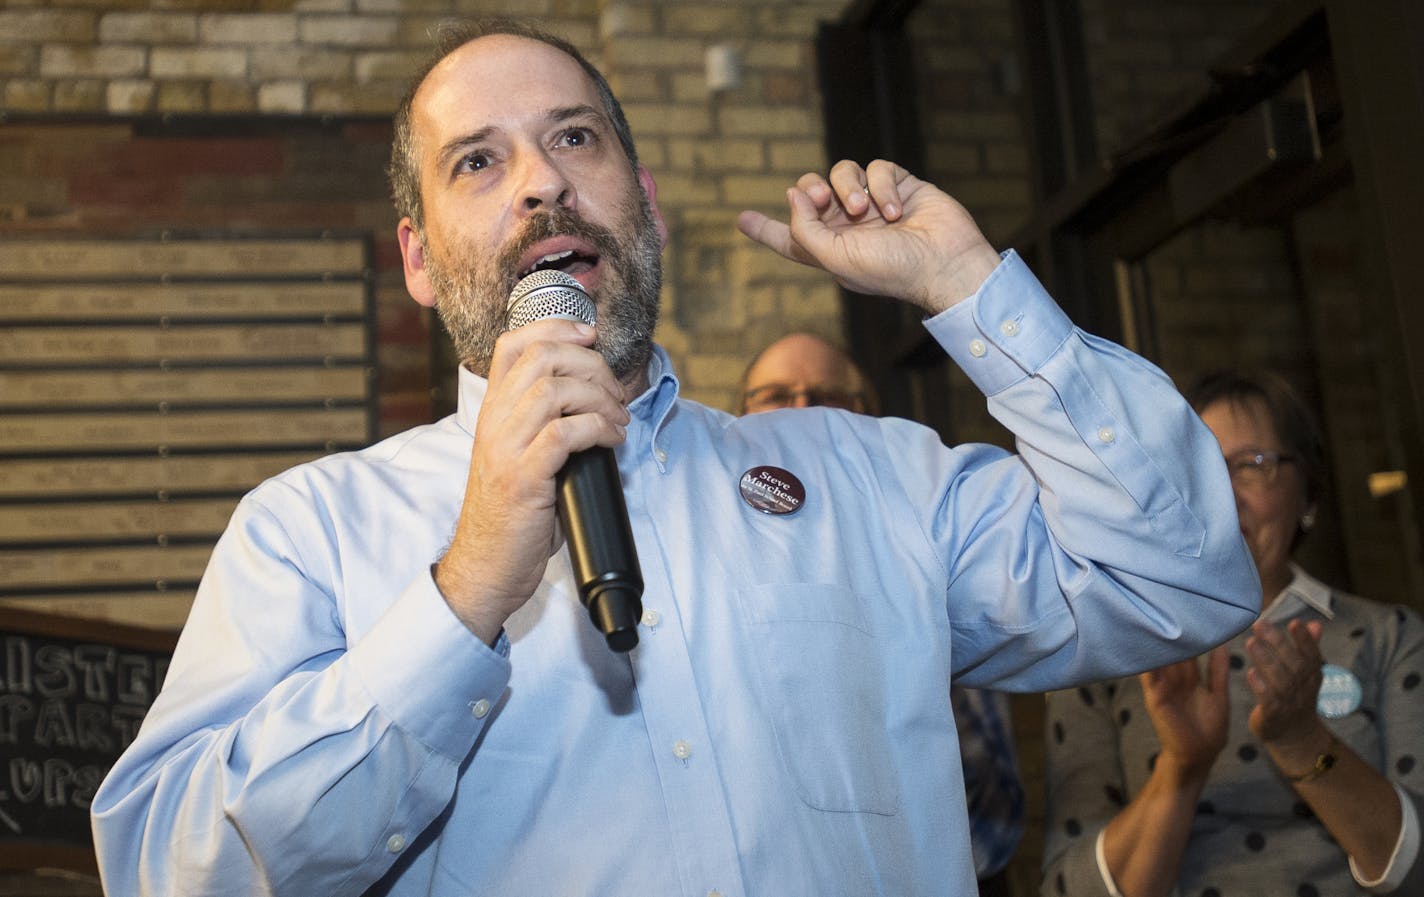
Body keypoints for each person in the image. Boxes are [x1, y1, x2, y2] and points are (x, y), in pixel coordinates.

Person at [90, 17, 1260, 897]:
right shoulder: (310, 528)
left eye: (574, 139)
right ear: (416, 257)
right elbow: (171, 866)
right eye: (477, 163)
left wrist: (970, 288)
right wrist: (466, 592)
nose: (542, 182)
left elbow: (1182, 580)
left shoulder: (869, 479)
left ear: (641, 203)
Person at [1041, 370, 1424, 897]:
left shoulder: (1390, 638)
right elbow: (1067, 887)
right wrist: (1182, 766)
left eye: (1251, 466)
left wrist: (1301, 739)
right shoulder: (1102, 654)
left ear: (1308, 496)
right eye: (1195, 470)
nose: (1221, 495)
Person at [738, 332, 1026, 891]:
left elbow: (989, 779)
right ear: (737, 415)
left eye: (826, 396)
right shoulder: (708, 554)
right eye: (776, 395)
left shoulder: (921, 529)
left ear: (868, 414)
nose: (802, 412)